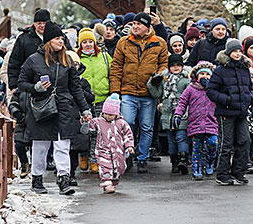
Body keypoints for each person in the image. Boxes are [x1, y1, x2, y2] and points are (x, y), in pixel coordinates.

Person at [18, 21, 92, 195]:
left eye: (62, 38)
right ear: (49, 40)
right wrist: (35, 87)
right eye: (57, 38)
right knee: (41, 146)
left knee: (62, 146)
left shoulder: (67, 60)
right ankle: (37, 179)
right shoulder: (33, 60)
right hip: (42, 107)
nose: (61, 41)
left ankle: (64, 180)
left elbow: (76, 87)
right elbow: (21, 83)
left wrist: (84, 109)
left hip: (64, 108)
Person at [109, 12, 168, 173]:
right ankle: (128, 154)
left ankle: (142, 158)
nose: (135, 26)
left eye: (139, 24)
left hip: (149, 93)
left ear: (147, 27)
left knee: (147, 127)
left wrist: (160, 76)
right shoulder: (123, 42)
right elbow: (116, 68)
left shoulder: (159, 43)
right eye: (134, 24)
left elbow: (164, 65)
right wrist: (115, 91)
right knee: (127, 124)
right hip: (127, 91)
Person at [206, 39, 253, 186]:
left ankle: (238, 171)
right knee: (226, 144)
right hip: (226, 111)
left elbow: (250, 88)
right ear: (228, 52)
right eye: (234, 51)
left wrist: (248, 98)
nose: (237, 54)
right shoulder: (220, 70)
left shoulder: (245, 69)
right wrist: (227, 100)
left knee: (245, 141)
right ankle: (222, 174)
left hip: (241, 111)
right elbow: (210, 90)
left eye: (239, 51)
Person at [173, 61, 217, 180]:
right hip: (196, 123)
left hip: (211, 122)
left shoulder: (214, 89)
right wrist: (177, 114)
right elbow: (182, 102)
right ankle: (196, 169)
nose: (205, 76)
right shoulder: (191, 88)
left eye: (207, 74)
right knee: (196, 148)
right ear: (196, 76)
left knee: (213, 143)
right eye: (202, 74)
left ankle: (209, 162)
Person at [147, 54, 191, 175]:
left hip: (182, 114)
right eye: (173, 65)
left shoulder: (186, 81)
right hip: (167, 114)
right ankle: (174, 162)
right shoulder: (165, 81)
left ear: (182, 67)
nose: (176, 68)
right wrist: (152, 83)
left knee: (181, 137)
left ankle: (183, 159)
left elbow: (190, 97)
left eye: (178, 65)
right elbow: (157, 94)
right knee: (171, 140)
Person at [82, 93, 134, 194]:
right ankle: (107, 181)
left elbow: (128, 135)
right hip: (103, 149)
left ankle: (111, 183)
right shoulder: (99, 121)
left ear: (116, 113)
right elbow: (91, 126)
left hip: (118, 150)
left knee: (119, 167)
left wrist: (129, 146)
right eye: (105, 113)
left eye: (110, 114)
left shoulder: (122, 123)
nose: (107, 116)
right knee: (105, 165)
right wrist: (86, 121)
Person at [77, 28, 112, 173]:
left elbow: (112, 73)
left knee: (98, 132)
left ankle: (94, 159)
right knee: (84, 130)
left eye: (90, 41)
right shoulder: (76, 58)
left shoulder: (104, 56)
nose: (88, 44)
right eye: (84, 42)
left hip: (101, 98)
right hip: (83, 100)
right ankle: (83, 155)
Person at [66, 50, 95, 186]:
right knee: (65, 148)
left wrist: (78, 88)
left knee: (76, 147)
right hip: (65, 115)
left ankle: (72, 173)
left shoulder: (83, 81)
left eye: (76, 64)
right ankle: (65, 173)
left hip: (78, 117)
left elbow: (91, 97)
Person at [8, 9, 51, 91]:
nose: (42, 26)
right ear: (34, 24)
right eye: (39, 23)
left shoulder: (56, 37)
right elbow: (14, 62)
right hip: (29, 84)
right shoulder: (23, 39)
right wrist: (13, 85)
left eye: (45, 23)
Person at [8, 88, 32, 179]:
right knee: (19, 144)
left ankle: (36, 169)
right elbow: (13, 104)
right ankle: (24, 164)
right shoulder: (21, 89)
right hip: (22, 122)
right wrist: (17, 113)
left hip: (37, 122)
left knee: (37, 147)